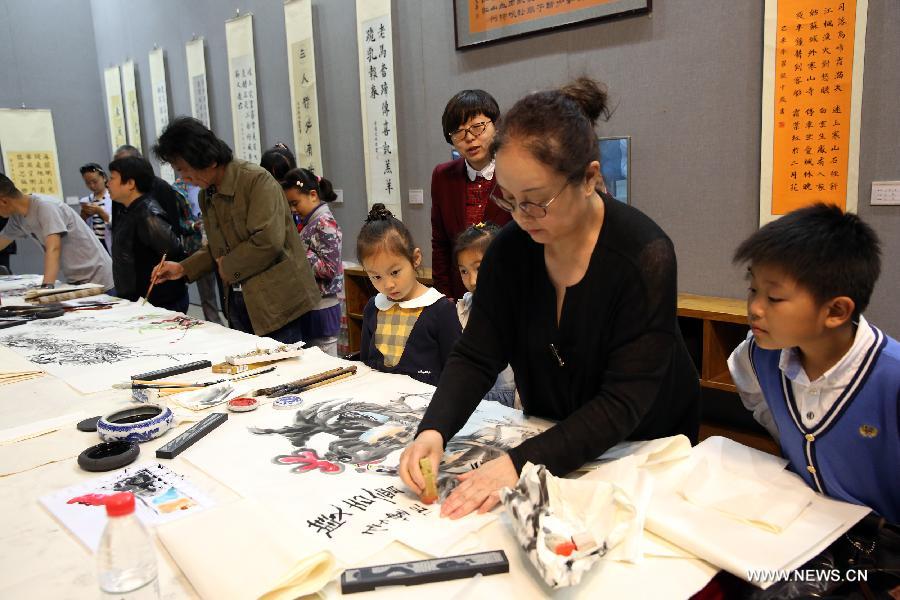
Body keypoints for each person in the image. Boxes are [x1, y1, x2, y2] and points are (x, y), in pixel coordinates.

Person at [399, 78, 701, 519]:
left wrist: (519, 464)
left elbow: (624, 401)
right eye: (509, 199)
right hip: (557, 438)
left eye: (537, 201)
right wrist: (435, 429)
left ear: (590, 179)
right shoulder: (511, 249)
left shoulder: (643, 255)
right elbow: (477, 353)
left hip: (643, 447)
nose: (521, 217)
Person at [728, 203, 898, 522]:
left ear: (836, 312)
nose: (755, 308)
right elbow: (758, 400)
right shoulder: (755, 355)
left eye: (774, 298)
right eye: (753, 289)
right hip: (802, 525)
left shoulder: (892, 379)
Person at [150, 117, 320, 343]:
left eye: (184, 170)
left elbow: (268, 241)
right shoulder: (207, 194)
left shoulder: (255, 181)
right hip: (239, 301)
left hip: (277, 304)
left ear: (209, 160)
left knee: (284, 372)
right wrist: (182, 268)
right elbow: (219, 249)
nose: (183, 178)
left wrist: (228, 266)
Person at [358, 203, 461, 385]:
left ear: (415, 259)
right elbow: (366, 364)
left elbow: (456, 373)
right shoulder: (374, 307)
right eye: (376, 277)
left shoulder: (441, 310)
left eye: (395, 272)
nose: (388, 285)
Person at [431, 89, 512, 300]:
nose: (469, 138)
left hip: (509, 292)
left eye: (477, 127)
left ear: (496, 126)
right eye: (458, 131)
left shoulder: (515, 171)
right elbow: (440, 243)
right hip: (460, 294)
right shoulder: (442, 176)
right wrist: (444, 296)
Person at [0, 173, 113, 290]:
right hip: (76, 279)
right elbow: (3, 240)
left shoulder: (45, 206)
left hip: (99, 277)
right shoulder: (18, 216)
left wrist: (46, 288)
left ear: (3, 201)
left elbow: (54, 248)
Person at [107, 157, 188, 312]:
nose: (108, 183)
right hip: (138, 301)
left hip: (158, 303)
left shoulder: (147, 213)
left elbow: (172, 251)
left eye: (112, 178)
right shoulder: (129, 210)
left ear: (130, 184)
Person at [280, 167, 343, 355]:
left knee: (325, 364)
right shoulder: (310, 222)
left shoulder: (324, 222)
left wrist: (297, 252)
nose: (293, 209)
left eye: (295, 203)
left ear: (313, 195)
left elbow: (329, 268)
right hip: (310, 306)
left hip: (322, 307)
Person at [454, 222, 516, 407]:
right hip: (473, 399)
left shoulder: (516, 310)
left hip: (510, 401)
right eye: (464, 271)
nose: (472, 280)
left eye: (480, 268)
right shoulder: (463, 308)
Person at [172, 177, 223, 324]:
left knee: (228, 289)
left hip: (221, 241)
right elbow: (178, 222)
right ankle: (216, 326)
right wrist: (194, 225)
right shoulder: (177, 190)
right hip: (197, 246)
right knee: (207, 294)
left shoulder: (210, 182)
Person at [113, 144, 185, 236]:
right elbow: (116, 225)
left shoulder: (160, 187)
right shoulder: (119, 190)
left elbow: (173, 228)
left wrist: (165, 250)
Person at [78, 163, 113, 253]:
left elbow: (118, 224)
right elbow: (82, 228)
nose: (92, 186)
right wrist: (83, 216)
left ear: (104, 178)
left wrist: (100, 212)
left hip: (111, 242)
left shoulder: (114, 198)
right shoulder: (86, 201)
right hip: (95, 245)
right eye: (88, 183)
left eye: (95, 181)